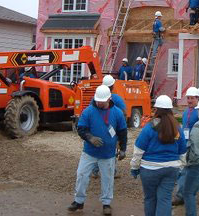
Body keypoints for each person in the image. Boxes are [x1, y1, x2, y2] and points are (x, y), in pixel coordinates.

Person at [68, 85, 127, 215]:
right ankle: (79, 201)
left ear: (109, 99)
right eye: (98, 101)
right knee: (81, 175)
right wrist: (90, 138)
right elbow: (81, 129)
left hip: (108, 154)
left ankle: (106, 203)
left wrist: (123, 149)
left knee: (107, 178)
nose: (99, 103)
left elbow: (123, 132)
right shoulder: (88, 111)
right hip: (89, 152)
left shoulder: (117, 113)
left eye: (102, 101)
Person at [130, 95, 187, 216]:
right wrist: (180, 168)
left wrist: (134, 167)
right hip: (171, 169)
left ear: (156, 109)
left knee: (150, 198)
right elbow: (183, 152)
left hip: (149, 170)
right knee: (165, 199)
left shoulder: (149, 127)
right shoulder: (177, 128)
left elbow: (138, 150)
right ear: (170, 110)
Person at [92, 75, 127, 179]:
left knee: (97, 148)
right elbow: (124, 114)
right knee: (112, 150)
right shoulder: (117, 99)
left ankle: (95, 170)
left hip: (97, 129)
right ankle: (112, 171)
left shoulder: (94, 99)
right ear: (113, 86)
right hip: (113, 130)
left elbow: (91, 112)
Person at [173, 87, 199, 206]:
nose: (189, 100)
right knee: (183, 170)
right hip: (185, 145)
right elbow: (184, 128)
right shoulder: (186, 112)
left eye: (192, 98)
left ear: (197, 99)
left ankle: (184, 196)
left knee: (191, 171)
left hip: (194, 146)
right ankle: (182, 195)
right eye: (188, 98)